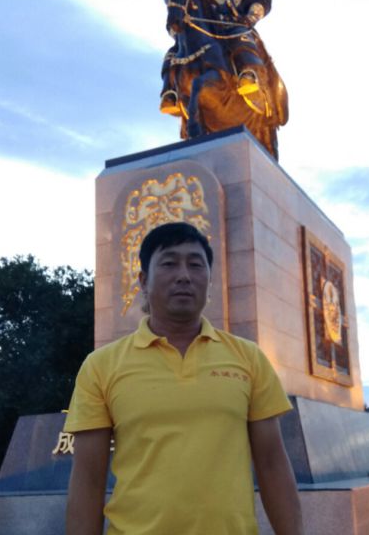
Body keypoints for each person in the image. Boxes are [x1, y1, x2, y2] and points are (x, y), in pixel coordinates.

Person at [64, 222, 303, 535]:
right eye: (169, 263)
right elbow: (88, 479)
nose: (184, 276)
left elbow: (272, 463)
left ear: (209, 280)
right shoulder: (101, 366)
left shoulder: (249, 358)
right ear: (143, 280)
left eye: (195, 264)